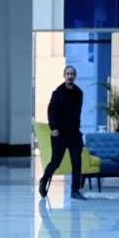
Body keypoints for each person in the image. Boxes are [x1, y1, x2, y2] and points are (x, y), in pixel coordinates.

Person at [40, 67, 87, 198]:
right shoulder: (57, 93)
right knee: (56, 162)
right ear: (64, 76)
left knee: (77, 162)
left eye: (72, 74)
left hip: (74, 134)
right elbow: (51, 111)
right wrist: (53, 128)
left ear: (75, 76)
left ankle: (75, 191)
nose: (70, 76)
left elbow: (76, 113)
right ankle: (44, 180)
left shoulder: (79, 93)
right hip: (59, 134)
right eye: (68, 74)